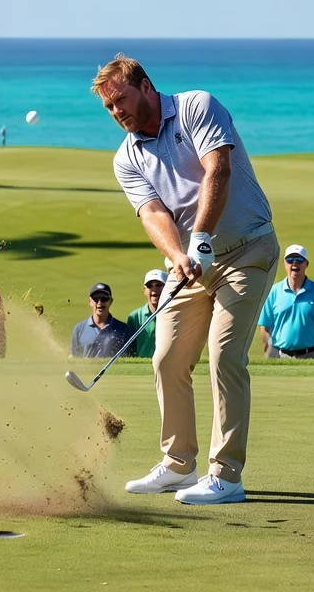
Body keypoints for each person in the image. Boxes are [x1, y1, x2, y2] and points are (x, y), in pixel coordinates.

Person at [95, 53, 278, 506]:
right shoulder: (126, 157)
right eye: (108, 108)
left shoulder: (198, 106)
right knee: (167, 359)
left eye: (121, 100)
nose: (117, 112)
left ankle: (226, 475)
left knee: (224, 356)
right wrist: (177, 254)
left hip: (248, 250)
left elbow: (219, 169)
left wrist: (199, 236)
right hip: (192, 265)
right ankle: (179, 465)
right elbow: (152, 213)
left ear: (146, 86)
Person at [258, 244, 314, 359]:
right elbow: (264, 326)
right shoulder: (274, 291)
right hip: (279, 355)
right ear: (285, 264)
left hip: (311, 355)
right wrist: (269, 349)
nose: (294, 263)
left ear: (306, 264)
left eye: (299, 259)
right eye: (290, 260)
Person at [70, 283, 133, 358]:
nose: (99, 302)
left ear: (111, 301)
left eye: (104, 298)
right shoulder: (79, 329)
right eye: (95, 298)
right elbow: (74, 358)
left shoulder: (123, 329)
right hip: (86, 370)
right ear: (90, 301)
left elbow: (127, 360)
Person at [125, 270, 168, 357]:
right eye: (149, 286)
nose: (154, 289)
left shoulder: (176, 314)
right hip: (142, 367)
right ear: (144, 290)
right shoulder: (135, 317)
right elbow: (130, 350)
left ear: (167, 288)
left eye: (159, 285)